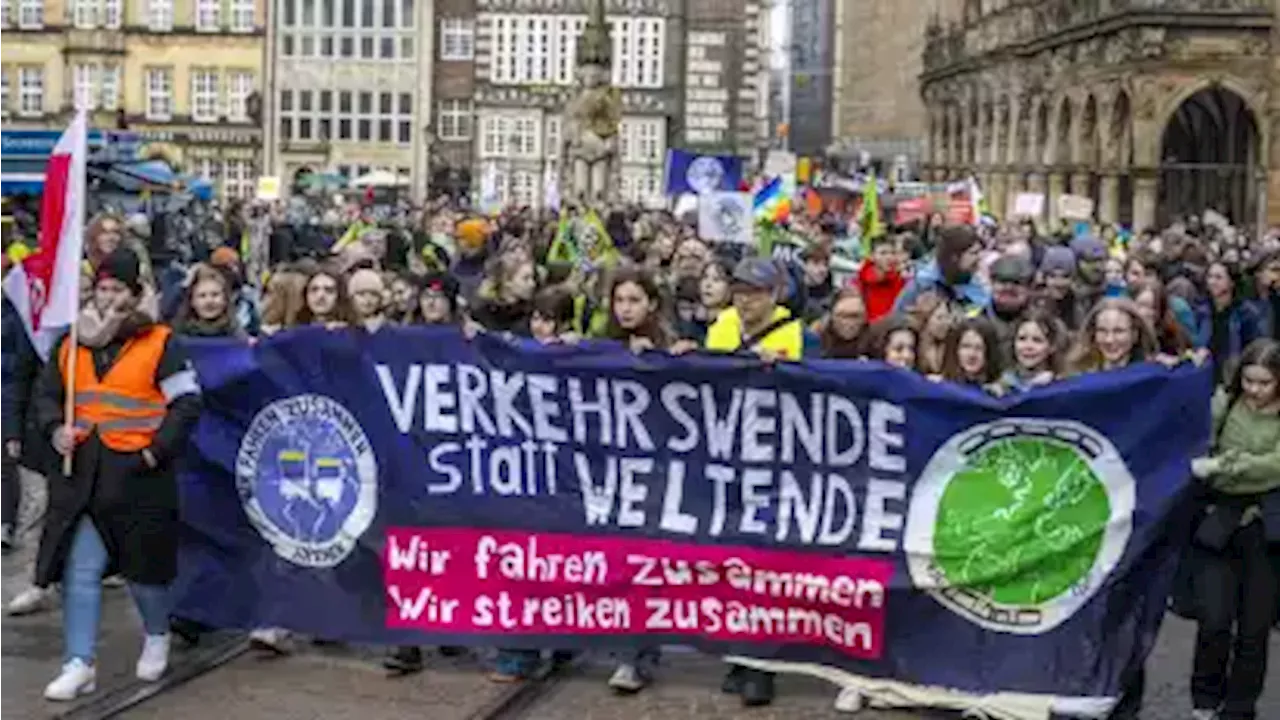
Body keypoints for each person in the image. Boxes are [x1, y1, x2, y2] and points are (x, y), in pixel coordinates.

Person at [36, 248, 202, 700]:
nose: (107, 298)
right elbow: (48, 395)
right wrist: (55, 429)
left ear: (135, 292)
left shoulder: (161, 342)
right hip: (83, 472)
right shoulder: (71, 341)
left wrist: (154, 453)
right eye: (102, 288)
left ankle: (156, 632)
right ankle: (78, 662)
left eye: (116, 289)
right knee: (79, 568)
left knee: (142, 571)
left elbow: (187, 404)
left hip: (138, 473)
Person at [1188, 338, 1280, 720]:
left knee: (1255, 629)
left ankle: (1241, 707)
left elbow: (1274, 465)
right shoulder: (1224, 404)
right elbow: (1197, 438)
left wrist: (1227, 466)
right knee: (1214, 619)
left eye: (1264, 383)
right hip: (1219, 521)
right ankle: (1205, 700)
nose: (1255, 390)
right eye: (1249, 380)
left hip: (1267, 525)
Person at [0, 286, 37, 552]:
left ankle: (4, 523)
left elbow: (23, 360)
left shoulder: (15, 311)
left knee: (5, 463)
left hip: (6, 395)